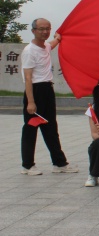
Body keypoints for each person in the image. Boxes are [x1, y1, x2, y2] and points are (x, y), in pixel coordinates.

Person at [21, 18, 78, 175]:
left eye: (48, 28)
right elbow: (28, 78)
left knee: (51, 128)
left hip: (47, 90)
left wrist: (58, 38)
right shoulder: (29, 51)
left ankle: (59, 164)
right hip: (35, 91)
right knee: (31, 128)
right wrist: (31, 102)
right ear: (33, 31)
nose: (45, 31)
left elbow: (51, 44)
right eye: (41, 29)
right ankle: (27, 166)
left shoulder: (45, 46)